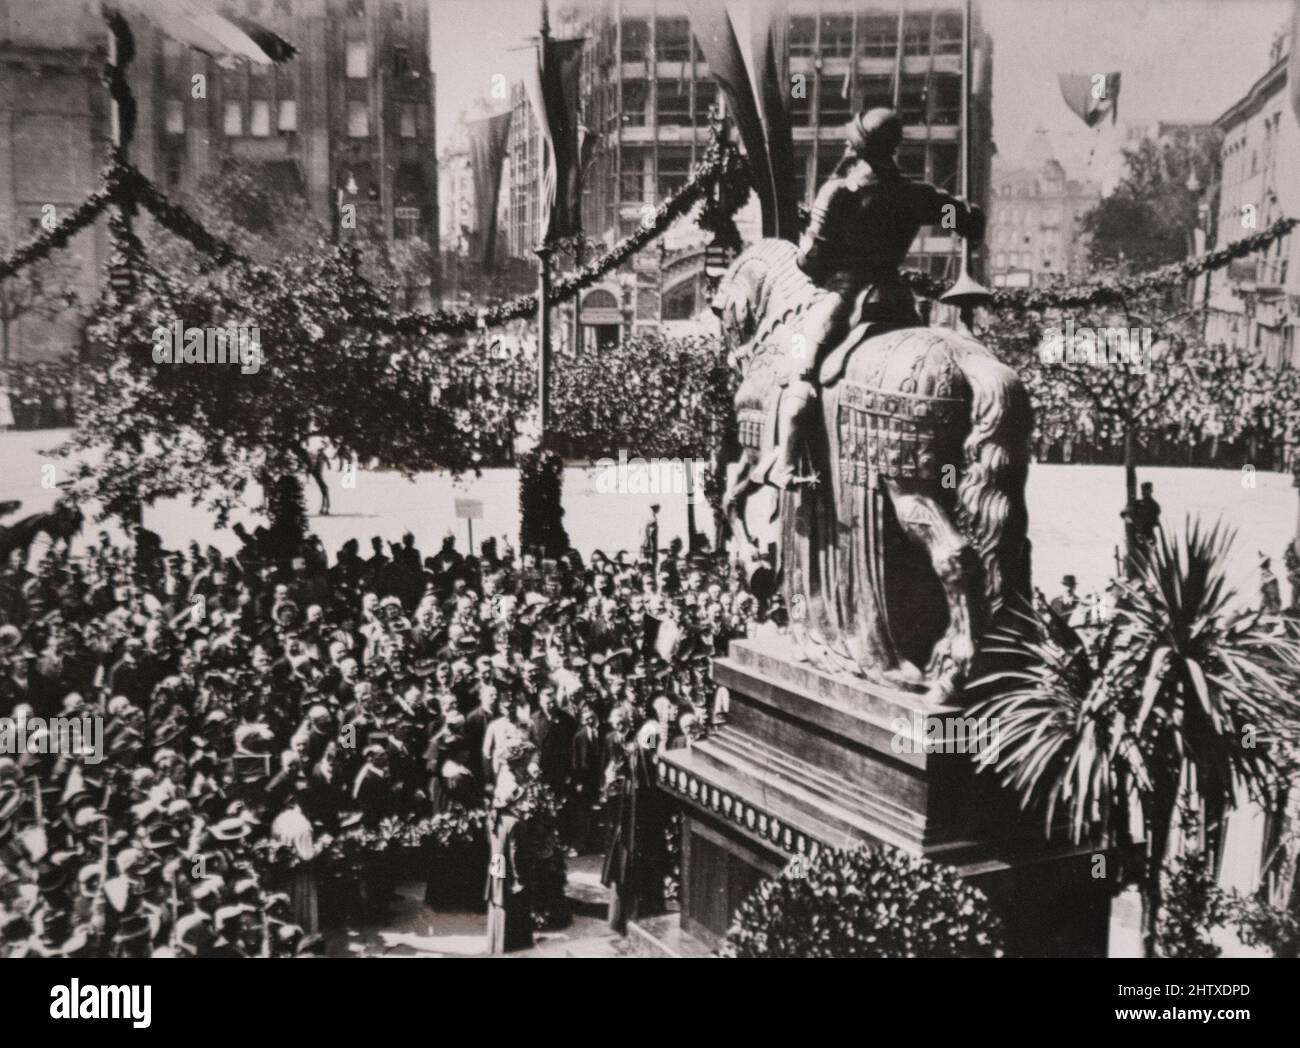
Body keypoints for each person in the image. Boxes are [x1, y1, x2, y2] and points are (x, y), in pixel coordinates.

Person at [756, 107, 985, 490]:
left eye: (852, 139)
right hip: (895, 299)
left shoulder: (839, 193)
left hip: (842, 298)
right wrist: (964, 211)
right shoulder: (916, 195)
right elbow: (967, 223)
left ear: (859, 148)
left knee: (800, 367)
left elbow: (810, 263)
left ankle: (786, 462)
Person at [484, 770, 531, 955]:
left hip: (496, 864)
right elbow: (515, 853)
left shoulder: (494, 818)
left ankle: (494, 944)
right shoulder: (516, 823)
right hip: (509, 869)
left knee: (497, 900)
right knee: (510, 905)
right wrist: (518, 879)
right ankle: (509, 946)